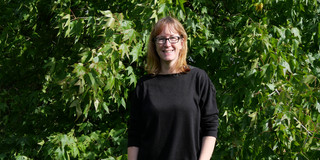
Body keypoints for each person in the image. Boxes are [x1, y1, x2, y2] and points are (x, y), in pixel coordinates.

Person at [127, 16, 219, 160]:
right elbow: (134, 133)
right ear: (155, 44)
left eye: (173, 38)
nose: (167, 44)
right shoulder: (144, 85)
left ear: (182, 42)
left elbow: (211, 125)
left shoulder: (198, 79)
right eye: (161, 39)